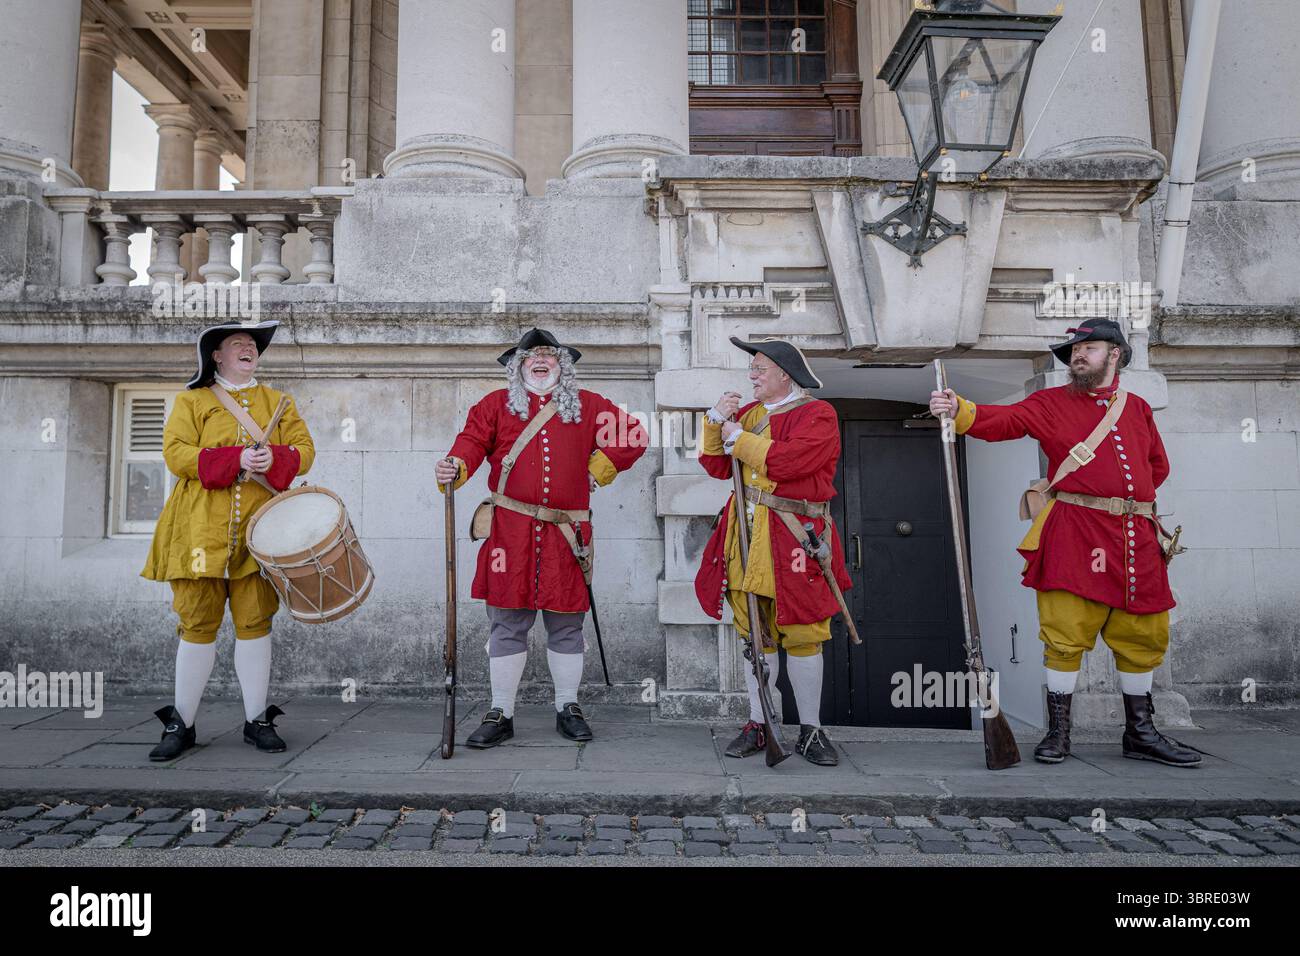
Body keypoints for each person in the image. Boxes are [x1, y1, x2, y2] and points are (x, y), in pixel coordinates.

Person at [929, 319, 1199, 767]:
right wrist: (959, 410)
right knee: (1065, 632)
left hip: (1136, 536)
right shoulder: (1051, 402)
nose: (1077, 355)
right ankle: (1059, 732)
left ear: (1115, 353)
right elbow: (1004, 421)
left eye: (1088, 347)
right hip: (1076, 530)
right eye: (1074, 349)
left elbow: (1157, 466)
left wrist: (1124, 503)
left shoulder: (1136, 407)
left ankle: (1141, 732)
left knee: (1143, 632)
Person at [435, 328, 647, 747]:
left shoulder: (590, 406)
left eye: (550, 354)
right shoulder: (494, 405)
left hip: (566, 535)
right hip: (509, 534)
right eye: (530, 355)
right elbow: (470, 443)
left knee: (567, 623)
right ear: (517, 367)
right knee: (507, 623)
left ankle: (567, 706)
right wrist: (455, 466)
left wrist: (596, 470)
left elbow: (634, 436)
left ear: (562, 366)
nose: (540, 359)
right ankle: (501, 712)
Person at [141, 320, 315, 760]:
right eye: (237, 343)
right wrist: (236, 457)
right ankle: (183, 723)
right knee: (197, 624)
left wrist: (272, 456)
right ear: (216, 356)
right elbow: (175, 453)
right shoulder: (191, 400)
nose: (248, 348)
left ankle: (257, 720)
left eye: (252, 344)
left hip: (260, 533)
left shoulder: (278, 402)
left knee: (255, 623)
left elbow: (305, 451)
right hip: (199, 529)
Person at [694, 336, 853, 766]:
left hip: (794, 535)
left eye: (760, 368)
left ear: (785, 373)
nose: (752, 375)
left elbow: (789, 462)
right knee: (755, 634)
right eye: (753, 368)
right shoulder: (747, 415)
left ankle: (810, 730)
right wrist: (715, 423)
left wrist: (736, 437)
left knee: (803, 634)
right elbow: (714, 466)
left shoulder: (819, 414)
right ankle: (760, 722)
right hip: (746, 534)